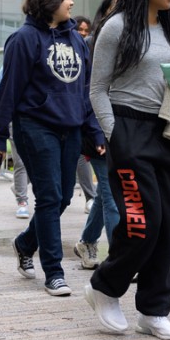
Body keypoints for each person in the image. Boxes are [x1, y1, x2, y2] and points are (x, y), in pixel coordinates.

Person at [85, 0, 170, 340]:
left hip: (166, 131)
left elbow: (168, 85)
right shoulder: (116, 27)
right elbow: (97, 89)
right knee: (140, 224)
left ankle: (153, 310)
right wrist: (115, 133)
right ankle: (104, 287)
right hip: (128, 129)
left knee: (167, 228)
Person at [0, 0, 105, 298]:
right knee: (49, 197)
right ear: (50, 1)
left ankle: (25, 243)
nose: (71, 2)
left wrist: (94, 130)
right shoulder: (23, 39)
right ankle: (54, 272)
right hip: (35, 126)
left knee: (64, 197)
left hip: (72, 128)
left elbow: (85, 90)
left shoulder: (77, 40)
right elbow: (8, 90)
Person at [72, 0, 121, 270]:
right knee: (112, 194)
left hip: (123, 128)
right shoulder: (89, 45)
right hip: (97, 131)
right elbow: (88, 92)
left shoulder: (129, 42)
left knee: (105, 193)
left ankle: (87, 241)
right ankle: (118, 258)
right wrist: (97, 132)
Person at [73, 15, 99, 214]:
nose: (83, 33)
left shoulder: (92, 50)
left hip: (90, 114)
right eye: (79, 30)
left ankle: (91, 197)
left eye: (85, 30)